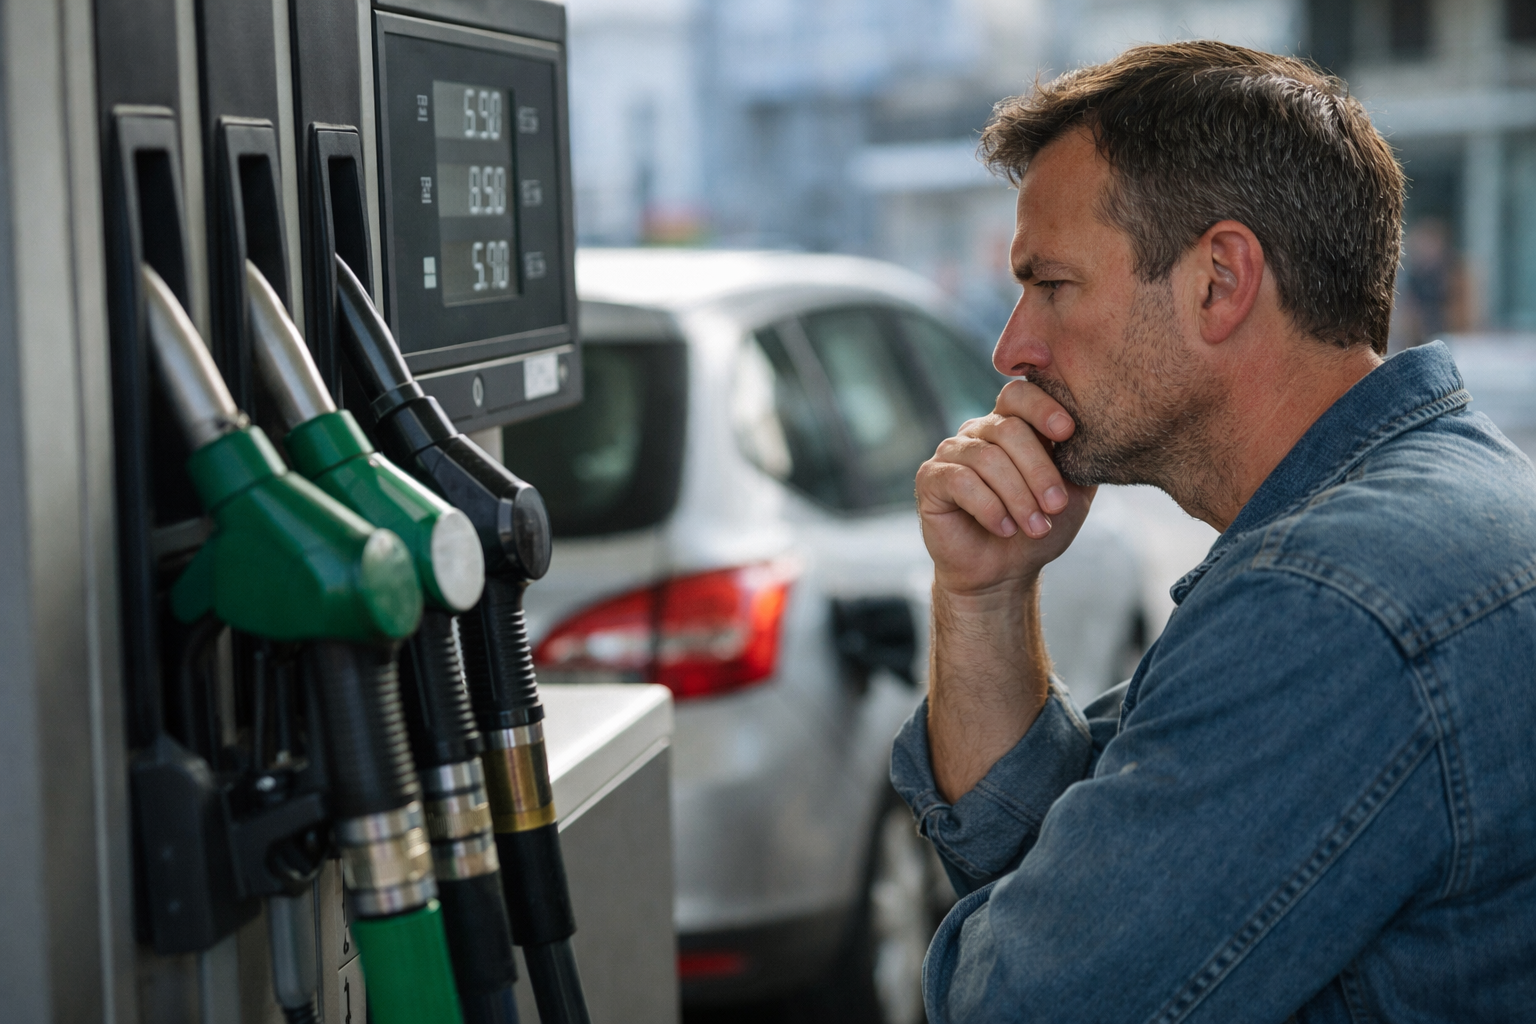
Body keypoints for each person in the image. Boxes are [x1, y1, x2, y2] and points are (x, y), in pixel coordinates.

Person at [893, 41, 1536, 1022]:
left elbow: (1020, 1002)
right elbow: (1075, 873)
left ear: (1220, 281)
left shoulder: (1327, 606)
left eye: (1051, 284)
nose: (1012, 346)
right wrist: (985, 596)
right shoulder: (1439, 506)